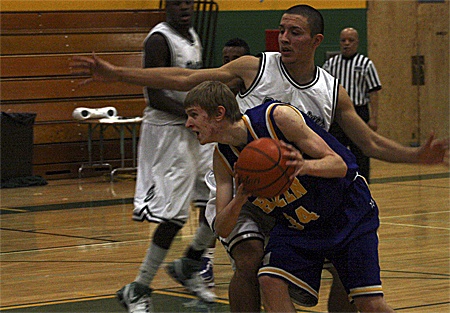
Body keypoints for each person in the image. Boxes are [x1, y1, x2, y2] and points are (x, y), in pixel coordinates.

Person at [71, 4, 449, 312]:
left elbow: (370, 143)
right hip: (242, 181)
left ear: (316, 40)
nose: (284, 38)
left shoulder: (332, 91)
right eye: (282, 30)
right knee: (251, 260)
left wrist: (417, 156)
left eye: (295, 32)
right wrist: (117, 74)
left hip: (297, 189)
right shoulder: (255, 68)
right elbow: (189, 80)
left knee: (342, 271)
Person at [183, 80, 395, 312]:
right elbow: (222, 228)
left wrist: (303, 166)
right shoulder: (223, 158)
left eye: (194, 115)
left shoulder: (276, 118)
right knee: (269, 279)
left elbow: (340, 165)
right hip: (301, 225)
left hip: (347, 213)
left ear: (218, 113)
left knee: (371, 305)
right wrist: (240, 198)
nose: (188, 124)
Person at [114, 1, 215, 313]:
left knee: (220, 198)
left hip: (194, 128)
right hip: (168, 132)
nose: (184, 7)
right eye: (177, 2)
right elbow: (155, 95)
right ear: (166, 6)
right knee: (174, 217)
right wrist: (193, 115)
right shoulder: (159, 40)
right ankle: (138, 288)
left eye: (188, 1)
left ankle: (190, 262)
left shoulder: (192, 35)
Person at [171, 37, 252, 290]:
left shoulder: (260, 101)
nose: (228, 65)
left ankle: (196, 258)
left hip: (251, 156)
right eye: (225, 60)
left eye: (234, 60)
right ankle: (203, 258)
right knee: (213, 206)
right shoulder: (210, 95)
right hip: (219, 152)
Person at [323, 27, 382, 183]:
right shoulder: (331, 64)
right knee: (336, 150)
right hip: (337, 114)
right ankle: (339, 183)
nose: (346, 44)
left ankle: (363, 184)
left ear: (357, 43)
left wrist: (374, 118)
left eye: (351, 40)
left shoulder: (366, 64)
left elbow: (374, 92)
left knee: (361, 151)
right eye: (343, 40)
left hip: (359, 111)